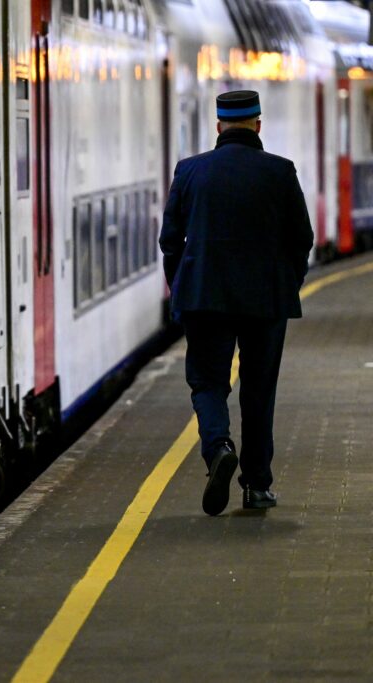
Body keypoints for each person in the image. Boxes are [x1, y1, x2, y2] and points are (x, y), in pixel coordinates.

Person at [159, 90, 314, 516]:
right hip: (266, 301)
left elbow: (169, 241)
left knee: (208, 383)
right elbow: (303, 239)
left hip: (205, 298)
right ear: (258, 125)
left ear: (217, 127)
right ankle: (257, 485)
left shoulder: (190, 172)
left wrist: (182, 286)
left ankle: (218, 447)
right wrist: (288, 283)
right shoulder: (280, 173)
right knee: (259, 390)